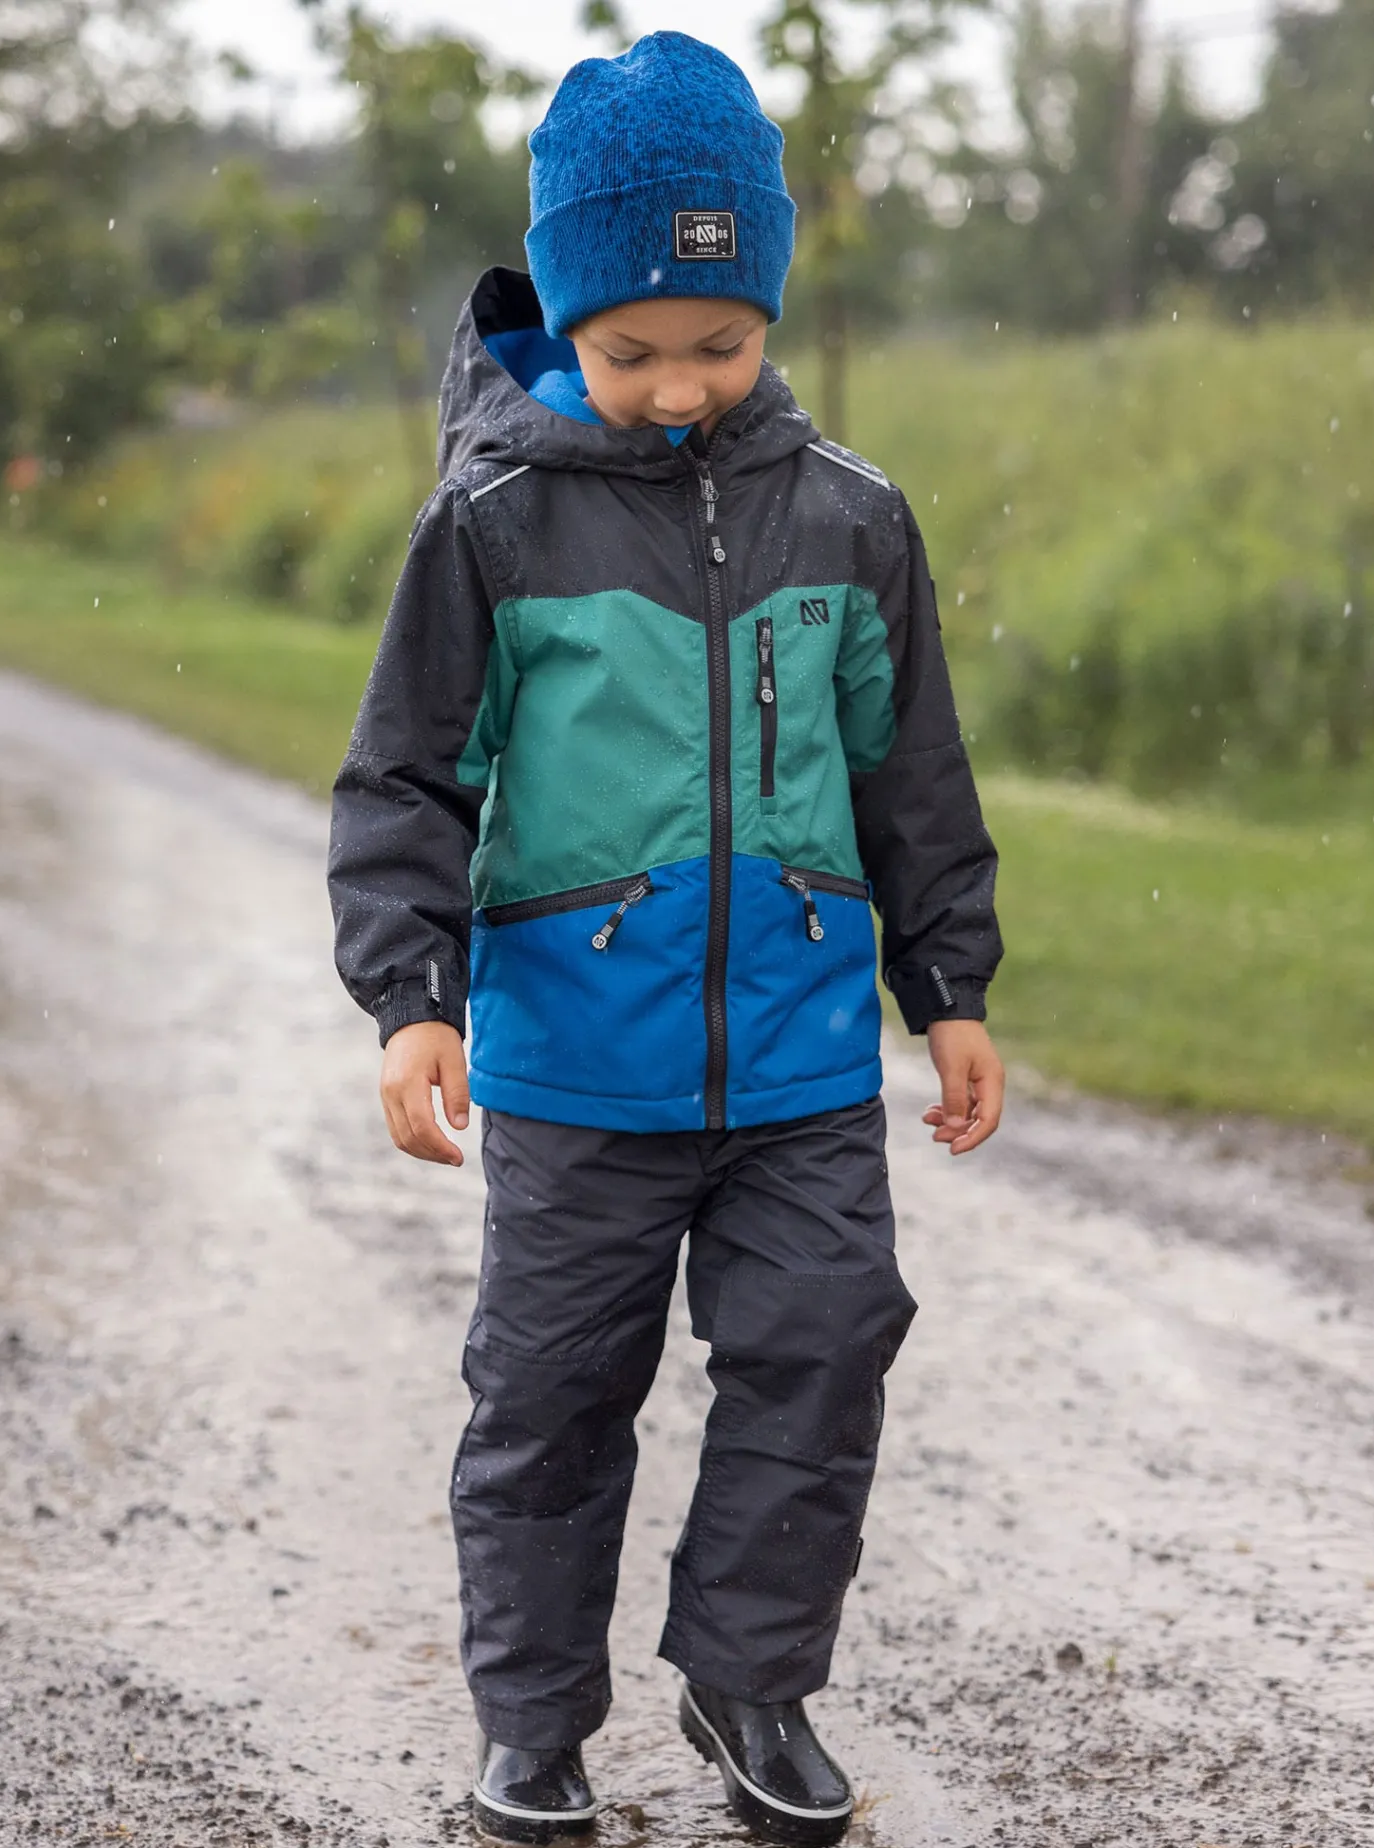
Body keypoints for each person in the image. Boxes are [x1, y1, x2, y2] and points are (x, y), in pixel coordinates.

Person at [328, 31, 1004, 1846]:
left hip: (800, 1066)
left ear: (768, 310)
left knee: (825, 1349)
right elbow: (406, 778)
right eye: (631, 353)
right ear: (569, 319)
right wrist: (412, 998)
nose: (681, 387)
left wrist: (948, 983)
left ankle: (750, 1681)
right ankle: (533, 1726)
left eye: (721, 343)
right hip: (576, 1074)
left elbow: (911, 773)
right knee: (551, 1404)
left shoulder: (852, 515)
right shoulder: (494, 523)